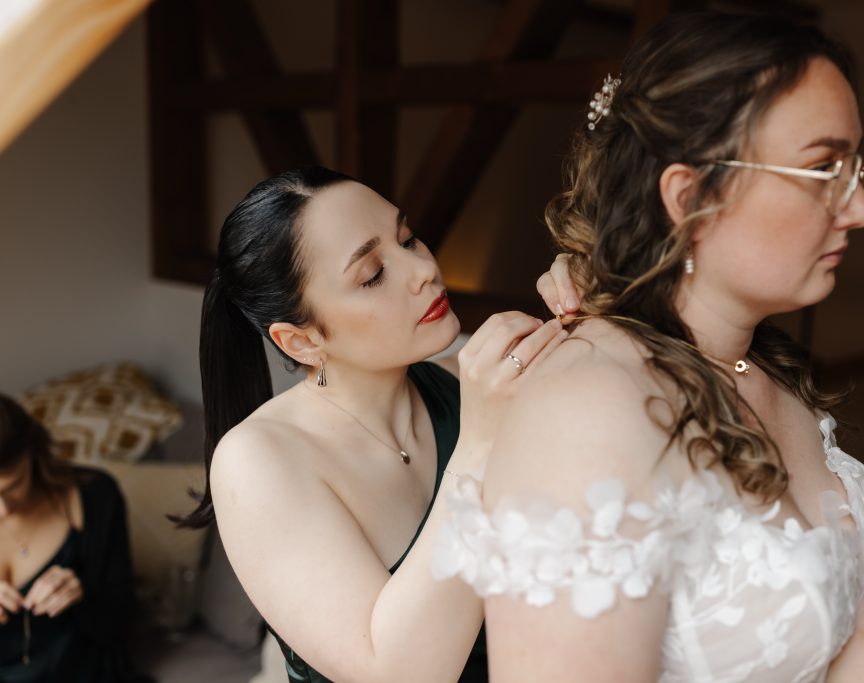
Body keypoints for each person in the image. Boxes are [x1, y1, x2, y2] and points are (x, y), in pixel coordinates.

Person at [434, 11, 864, 683]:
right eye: (822, 168)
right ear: (688, 197)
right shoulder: (586, 413)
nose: (861, 208)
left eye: (857, 168)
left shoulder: (754, 361)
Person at [179, 167, 577, 682]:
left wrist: (592, 303)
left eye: (407, 239)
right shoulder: (256, 460)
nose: (423, 269)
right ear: (301, 341)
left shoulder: (469, 385)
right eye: (372, 275)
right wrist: (477, 448)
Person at [0, 394, 139, 682]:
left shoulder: (95, 494)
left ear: (33, 453)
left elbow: (122, 616)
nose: (3, 510)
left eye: (13, 486)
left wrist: (82, 592)